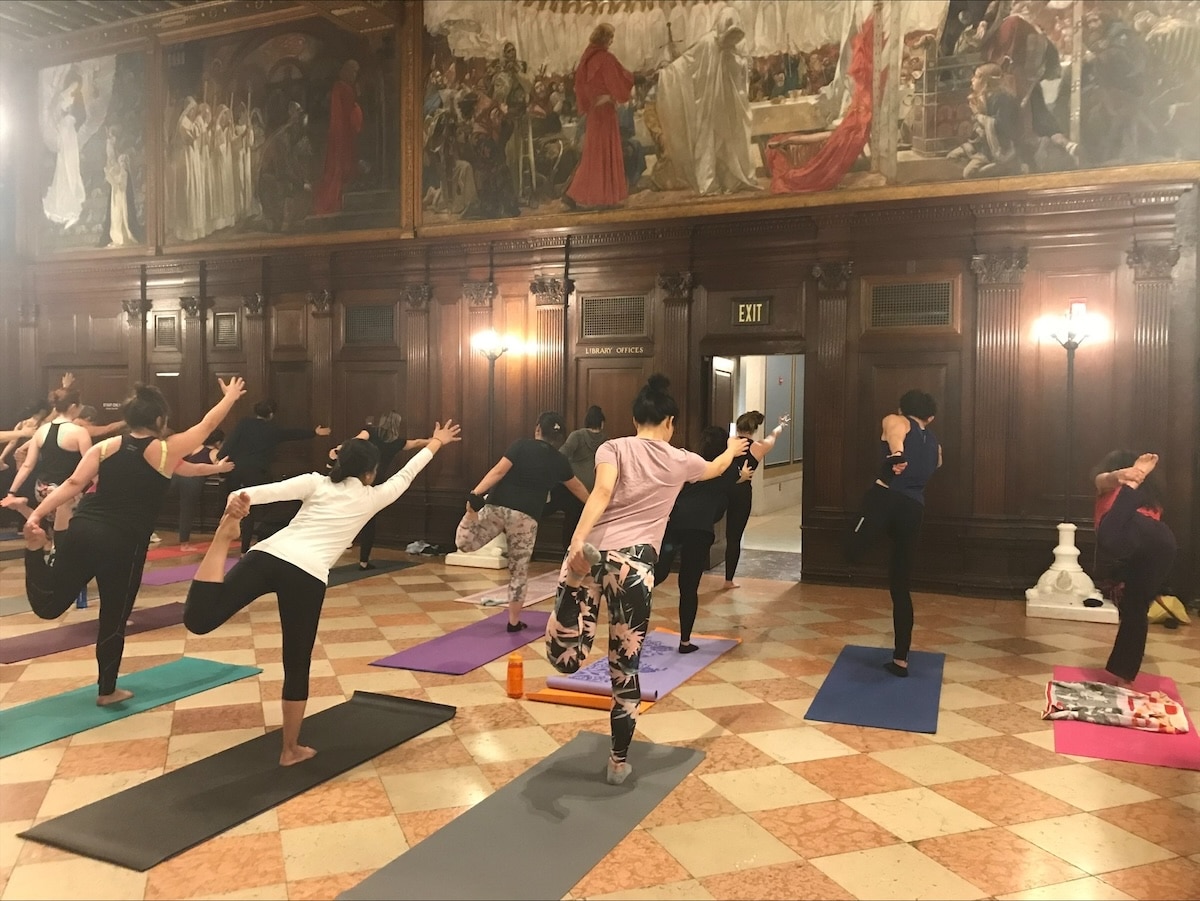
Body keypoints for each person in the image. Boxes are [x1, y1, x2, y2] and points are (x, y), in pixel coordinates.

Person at [184, 420, 461, 766]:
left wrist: (236, 507)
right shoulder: (375, 496)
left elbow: (246, 494)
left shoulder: (315, 482)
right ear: (371, 473)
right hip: (307, 575)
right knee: (296, 663)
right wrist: (436, 442)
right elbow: (408, 472)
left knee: (199, 620)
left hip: (269, 555)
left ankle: (221, 541)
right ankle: (290, 750)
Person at [546, 374, 748, 784]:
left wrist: (578, 541)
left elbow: (600, 493)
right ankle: (618, 762)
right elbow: (717, 468)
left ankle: (571, 603)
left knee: (566, 660)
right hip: (635, 565)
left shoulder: (613, 447)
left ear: (635, 418)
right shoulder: (680, 459)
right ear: (669, 421)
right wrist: (731, 448)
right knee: (625, 666)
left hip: (594, 550)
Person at [21, 377, 246, 705]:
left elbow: (72, 483)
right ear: (159, 421)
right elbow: (208, 423)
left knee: (50, 605)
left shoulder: (105, 447)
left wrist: (36, 515)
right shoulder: (165, 450)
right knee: (113, 616)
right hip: (123, 544)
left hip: (85, 528)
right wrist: (230, 398)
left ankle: (32, 552)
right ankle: (107, 690)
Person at [455, 412, 589, 632]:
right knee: (519, 572)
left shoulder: (520, 446)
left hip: (498, 507)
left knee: (464, 544)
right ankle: (514, 622)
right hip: (526, 519)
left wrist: (475, 494)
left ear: (538, 429)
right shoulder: (560, 460)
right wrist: (600, 507)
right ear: (559, 438)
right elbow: (577, 488)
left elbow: (498, 471)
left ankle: (470, 515)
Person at [847, 389, 942, 678]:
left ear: (902, 409)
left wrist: (897, 455)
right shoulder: (934, 441)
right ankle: (901, 659)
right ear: (931, 417)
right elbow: (937, 463)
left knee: (850, 548)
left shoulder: (898, 420)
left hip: (884, 500)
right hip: (913, 509)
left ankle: (854, 552)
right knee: (901, 587)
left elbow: (894, 432)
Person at [1091, 451, 1176, 687]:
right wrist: (1122, 475)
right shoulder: (1111, 485)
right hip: (1161, 543)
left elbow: (1130, 535)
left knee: (1107, 535)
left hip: (1137, 536)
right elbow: (1104, 479)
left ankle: (1123, 672)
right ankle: (1123, 674)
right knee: (1135, 609)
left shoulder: (1121, 494)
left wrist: (1129, 481)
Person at [655, 6, 758, 196]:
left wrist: (738, 62)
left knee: (730, 144)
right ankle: (710, 184)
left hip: (729, 108)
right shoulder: (707, 43)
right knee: (708, 145)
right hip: (708, 108)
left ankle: (732, 181)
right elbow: (686, 64)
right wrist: (666, 74)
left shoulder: (736, 45)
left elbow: (744, 71)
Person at [656, 426, 740, 652]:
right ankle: (684, 642)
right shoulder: (730, 470)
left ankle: (628, 605)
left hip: (673, 524)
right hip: (700, 530)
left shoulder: (690, 463)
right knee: (688, 586)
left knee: (657, 573)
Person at [219, 400, 331, 555]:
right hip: (257, 472)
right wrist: (314, 432)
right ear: (271, 414)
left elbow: (230, 442)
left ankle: (221, 542)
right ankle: (246, 549)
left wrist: (220, 461)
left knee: (232, 504)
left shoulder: (244, 423)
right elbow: (290, 434)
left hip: (236, 469)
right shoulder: (272, 429)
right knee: (248, 508)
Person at [332, 411, 431, 569]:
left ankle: (342, 544)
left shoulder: (370, 432)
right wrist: (434, 441)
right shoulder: (397, 442)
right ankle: (364, 562)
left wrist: (340, 449)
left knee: (344, 511)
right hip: (376, 482)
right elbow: (417, 442)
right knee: (369, 522)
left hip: (358, 478)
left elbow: (356, 441)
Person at [562, 24, 634, 210]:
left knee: (594, 154)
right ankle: (582, 195)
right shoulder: (605, 59)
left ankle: (599, 197)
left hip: (595, 113)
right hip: (605, 113)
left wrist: (596, 99)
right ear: (604, 38)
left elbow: (582, 87)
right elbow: (619, 81)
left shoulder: (587, 58)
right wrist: (618, 91)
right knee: (603, 154)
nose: (611, 41)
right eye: (610, 37)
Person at [2, 387, 93, 534]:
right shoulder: (79, 432)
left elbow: (27, 465)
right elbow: (90, 465)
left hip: (43, 489)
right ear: (72, 407)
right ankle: (59, 552)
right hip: (67, 490)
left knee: (53, 525)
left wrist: (12, 492)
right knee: (66, 529)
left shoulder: (41, 431)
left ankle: (22, 507)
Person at [723, 410, 790, 589]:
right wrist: (781, 425)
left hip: (723, 490)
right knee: (734, 538)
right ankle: (728, 580)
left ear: (738, 427)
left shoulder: (730, 443)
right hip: (742, 493)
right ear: (754, 429)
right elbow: (773, 436)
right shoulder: (759, 447)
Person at [546, 405, 608, 551]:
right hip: (595, 489)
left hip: (574, 487)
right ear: (602, 422)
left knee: (570, 518)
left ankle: (567, 551)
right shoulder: (606, 440)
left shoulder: (577, 436)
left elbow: (561, 455)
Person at [313, 60, 363, 215]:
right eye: (352, 72)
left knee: (341, 166)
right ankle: (331, 202)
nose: (354, 75)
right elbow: (346, 112)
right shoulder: (342, 88)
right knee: (338, 167)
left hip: (343, 133)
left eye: (356, 73)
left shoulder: (342, 87)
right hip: (343, 134)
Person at [175, 429, 228, 551]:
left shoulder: (196, 447)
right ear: (218, 442)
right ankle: (184, 544)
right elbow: (219, 468)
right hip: (192, 480)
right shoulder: (215, 452)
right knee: (187, 510)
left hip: (177, 476)